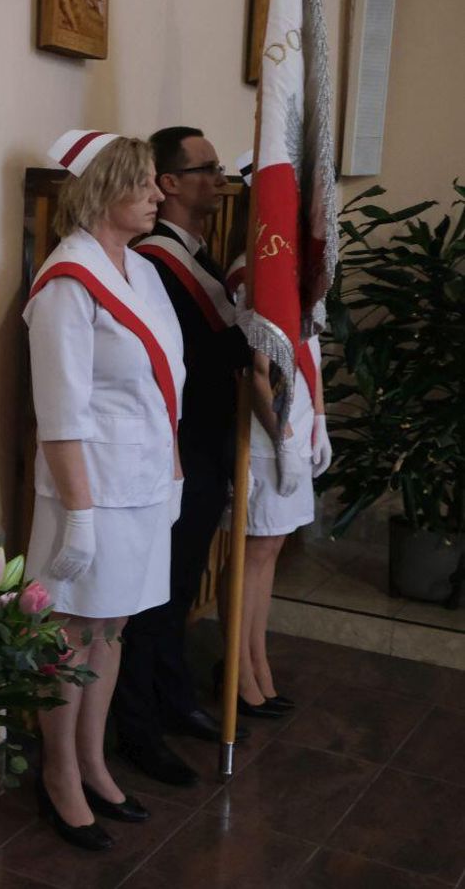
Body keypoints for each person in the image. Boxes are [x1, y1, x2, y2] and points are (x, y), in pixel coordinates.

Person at [24, 130, 184, 851]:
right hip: (89, 492)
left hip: (143, 483)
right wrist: (79, 518)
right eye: (142, 182)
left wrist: (172, 475)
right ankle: (59, 772)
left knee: (112, 627)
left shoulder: (141, 270)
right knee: (70, 633)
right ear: (102, 189)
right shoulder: (66, 282)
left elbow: (165, 385)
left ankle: (93, 760)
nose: (156, 195)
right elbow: (60, 413)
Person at [111, 127, 250, 788]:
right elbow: (191, 359)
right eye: (207, 168)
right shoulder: (156, 260)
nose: (220, 179)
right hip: (175, 448)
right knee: (153, 595)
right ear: (168, 183)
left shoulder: (194, 254)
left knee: (180, 584)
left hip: (201, 445)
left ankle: (172, 697)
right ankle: (137, 726)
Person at [223, 255, 331, 718]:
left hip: (298, 425)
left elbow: (311, 350)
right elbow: (256, 370)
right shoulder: (258, 265)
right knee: (253, 550)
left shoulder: (295, 266)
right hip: (267, 434)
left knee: (272, 549)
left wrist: (320, 419)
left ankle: (257, 657)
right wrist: (283, 441)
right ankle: (237, 669)